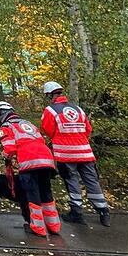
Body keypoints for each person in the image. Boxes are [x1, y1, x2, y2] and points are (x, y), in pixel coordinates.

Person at [41, 82, 111, 227]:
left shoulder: (50, 110)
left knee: (71, 180)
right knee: (92, 181)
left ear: (49, 95)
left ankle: (76, 212)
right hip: (85, 153)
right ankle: (103, 211)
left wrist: (61, 138)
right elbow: (88, 129)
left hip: (66, 154)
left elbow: (48, 129)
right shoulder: (78, 109)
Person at [0, 101, 61, 237]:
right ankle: (54, 226)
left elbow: (9, 148)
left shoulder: (6, 126)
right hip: (46, 159)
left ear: (0, 114)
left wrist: (5, 156)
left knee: (32, 194)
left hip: (29, 161)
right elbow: (40, 139)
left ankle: (38, 228)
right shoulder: (28, 123)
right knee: (46, 192)